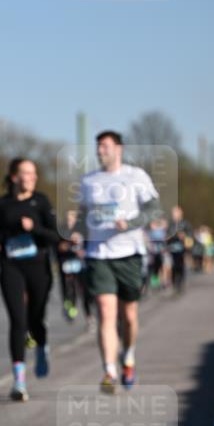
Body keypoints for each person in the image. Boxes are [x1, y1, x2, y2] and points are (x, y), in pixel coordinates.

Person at [74, 130, 160, 393]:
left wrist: (131, 223)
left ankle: (129, 357)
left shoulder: (136, 176)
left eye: (105, 146)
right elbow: (83, 215)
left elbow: (154, 209)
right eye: (98, 147)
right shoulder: (89, 180)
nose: (100, 151)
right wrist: (77, 230)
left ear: (118, 149)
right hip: (99, 254)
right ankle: (109, 370)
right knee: (105, 312)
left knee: (129, 316)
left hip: (130, 253)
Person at [0, 157, 60, 402]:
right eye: (26, 173)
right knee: (17, 320)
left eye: (34, 173)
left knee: (35, 318)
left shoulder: (41, 202)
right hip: (11, 265)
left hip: (38, 265)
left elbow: (55, 236)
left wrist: (34, 229)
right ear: (14, 177)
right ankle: (19, 380)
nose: (31, 177)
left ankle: (42, 346)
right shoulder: (1, 204)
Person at [57, 209, 93, 327]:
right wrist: (68, 245)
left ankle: (89, 316)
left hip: (81, 265)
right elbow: (58, 248)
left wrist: (83, 251)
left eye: (73, 218)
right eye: (68, 218)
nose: (70, 220)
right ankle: (70, 309)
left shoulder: (83, 230)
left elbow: (89, 246)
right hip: (67, 265)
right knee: (69, 290)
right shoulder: (62, 231)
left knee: (84, 291)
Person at [166, 205, 192, 294]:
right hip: (172, 249)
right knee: (173, 266)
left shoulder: (185, 223)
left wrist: (184, 236)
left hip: (182, 249)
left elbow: (190, 235)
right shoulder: (170, 224)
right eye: (173, 212)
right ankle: (174, 284)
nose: (174, 214)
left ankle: (181, 283)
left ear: (181, 213)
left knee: (181, 266)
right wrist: (174, 236)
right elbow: (166, 236)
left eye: (176, 212)